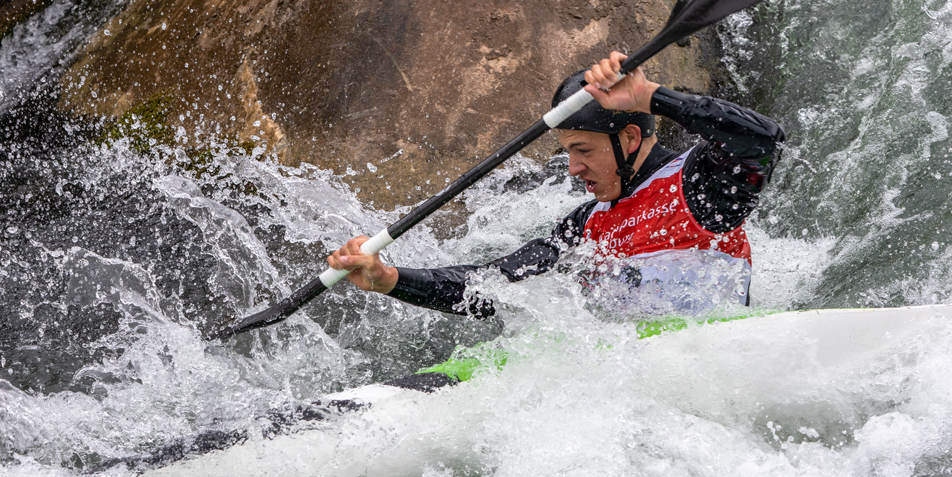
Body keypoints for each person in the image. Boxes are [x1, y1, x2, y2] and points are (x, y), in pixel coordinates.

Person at [328, 51, 786, 318]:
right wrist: (391, 279)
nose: (573, 169)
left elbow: (762, 139)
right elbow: (498, 284)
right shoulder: (589, 224)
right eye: (568, 152)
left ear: (630, 138)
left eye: (584, 151)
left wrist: (650, 97)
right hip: (624, 374)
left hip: (702, 361)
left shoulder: (699, 186)